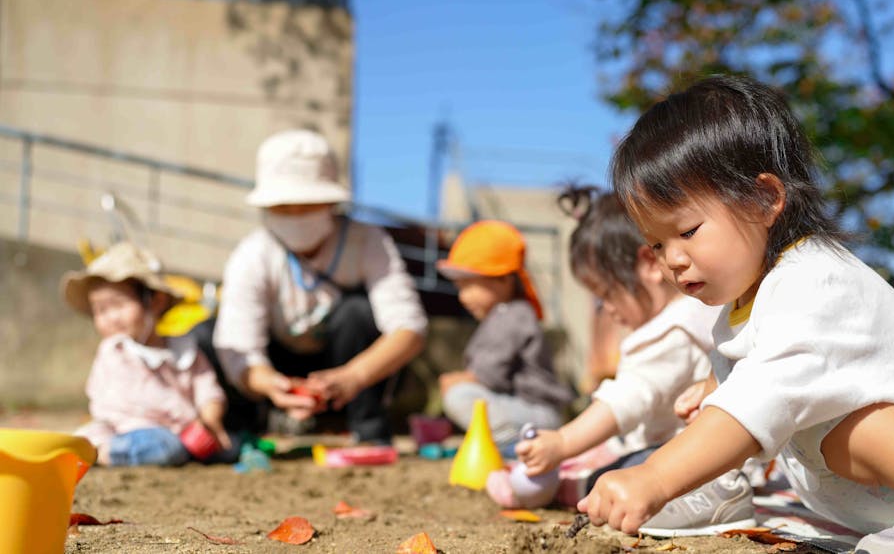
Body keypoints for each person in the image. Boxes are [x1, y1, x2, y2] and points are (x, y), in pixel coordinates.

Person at [577, 75, 894, 553]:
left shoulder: (815, 279)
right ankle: (724, 493)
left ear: (765, 199)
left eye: (687, 231)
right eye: (657, 244)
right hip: (866, 494)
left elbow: (767, 394)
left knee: (802, 412)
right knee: (725, 405)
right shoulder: (748, 300)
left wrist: (656, 476)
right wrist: (714, 389)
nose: (672, 260)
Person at [501, 188, 752, 534]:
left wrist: (562, 443)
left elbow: (625, 401)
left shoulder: (671, 330)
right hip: (713, 452)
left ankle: (569, 487)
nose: (609, 311)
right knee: (613, 456)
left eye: (607, 295)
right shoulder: (695, 315)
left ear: (648, 265)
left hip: (699, 461)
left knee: (614, 474)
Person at [197, 129, 427, 443]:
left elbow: (408, 327)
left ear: (331, 203)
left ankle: (368, 428)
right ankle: (242, 430)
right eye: (284, 207)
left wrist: (354, 375)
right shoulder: (252, 254)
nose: (295, 214)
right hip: (277, 361)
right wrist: (269, 384)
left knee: (357, 313)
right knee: (211, 335)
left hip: (346, 361)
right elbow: (239, 340)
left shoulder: (368, 241)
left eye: (306, 205)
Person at [63, 242, 236, 466]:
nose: (111, 318)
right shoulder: (116, 351)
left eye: (118, 305)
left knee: (231, 447)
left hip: (185, 429)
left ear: (155, 301)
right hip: (127, 430)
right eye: (101, 310)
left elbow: (206, 385)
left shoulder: (184, 350)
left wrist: (211, 417)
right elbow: (149, 398)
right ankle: (104, 453)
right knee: (164, 447)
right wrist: (191, 421)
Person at [437, 220, 573, 455]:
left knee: (459, 395)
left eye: (470, 286)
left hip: (537, 412)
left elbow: (489, 375)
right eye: (460, 287)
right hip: (526, 411)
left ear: (504, 279)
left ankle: (507, 446)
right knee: (463, 394)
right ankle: (504, 440)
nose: (463, 297)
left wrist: (458, 379)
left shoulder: (511, 315)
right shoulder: (506, 314)